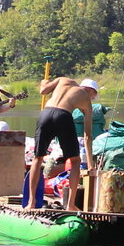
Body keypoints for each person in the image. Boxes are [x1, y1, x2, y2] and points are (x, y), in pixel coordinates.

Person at [26, 76, 98, 211]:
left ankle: (31, 203)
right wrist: (90, 165)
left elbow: (43, 91)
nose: (92, 99)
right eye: (93, 96)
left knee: (37, 158)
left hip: (45, 114)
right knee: (75, 161)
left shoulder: (63, 80)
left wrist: (44, 83)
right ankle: (70, 205)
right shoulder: (85, 98)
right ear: (90, 91)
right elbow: (87, 136)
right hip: (63, 116)